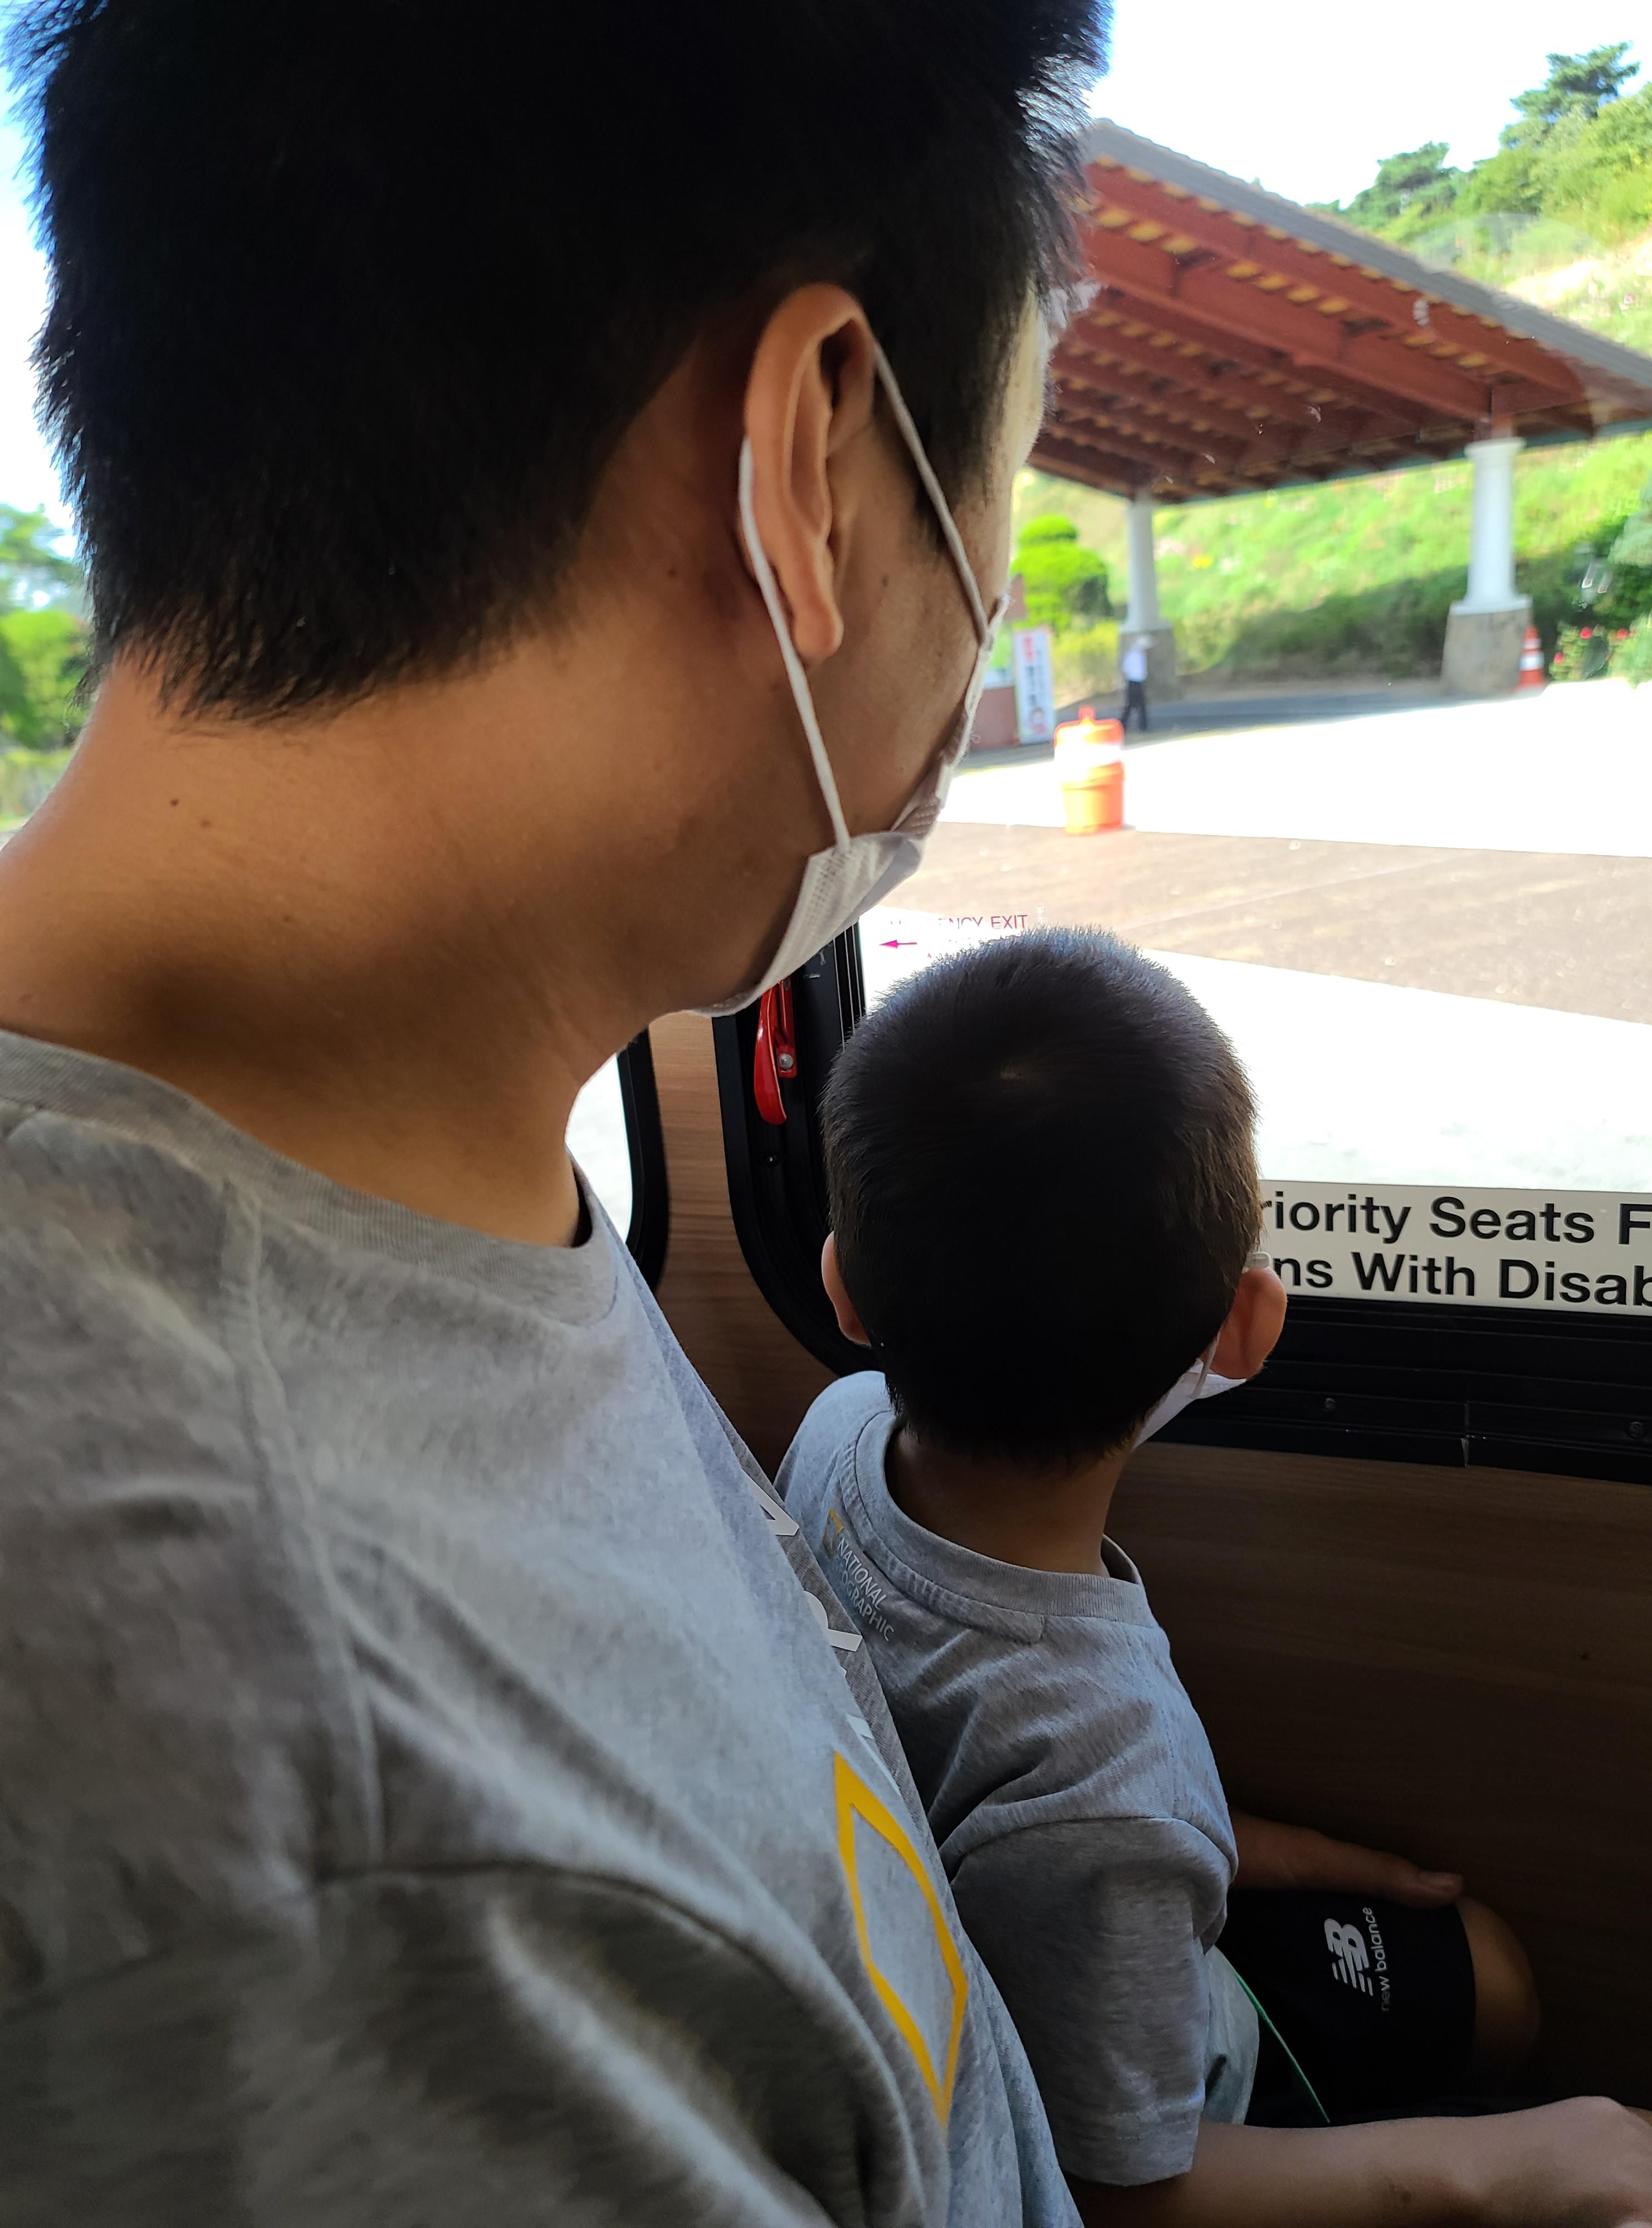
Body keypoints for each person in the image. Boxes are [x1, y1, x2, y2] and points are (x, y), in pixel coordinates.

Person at [0, 4, 1117, 2220]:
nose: (988, 614)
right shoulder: (350, 1860)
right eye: (1004, 472)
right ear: (812, 449)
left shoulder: (411, 1143)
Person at [780, 927, 1652, 2227]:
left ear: (843, 1289)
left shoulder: (834, 1430)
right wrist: (1480, 2169)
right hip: (1177, 2103)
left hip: (1082, 1945)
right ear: (1245, 1328)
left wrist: (1254, 1852)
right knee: (1542, 2049)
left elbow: (986, 1798)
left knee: (1489, 1977)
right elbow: (1124, 2188)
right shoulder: (1106, 1770)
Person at [1120, 633, 1150, 730]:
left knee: (1138, 705)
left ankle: (1141, 726)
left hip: (1139, 682)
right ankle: (1126, 725)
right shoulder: (1132, 655)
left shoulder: (1141, 655)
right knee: (1134, 705)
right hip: (1133, 682)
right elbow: (1125, 670)